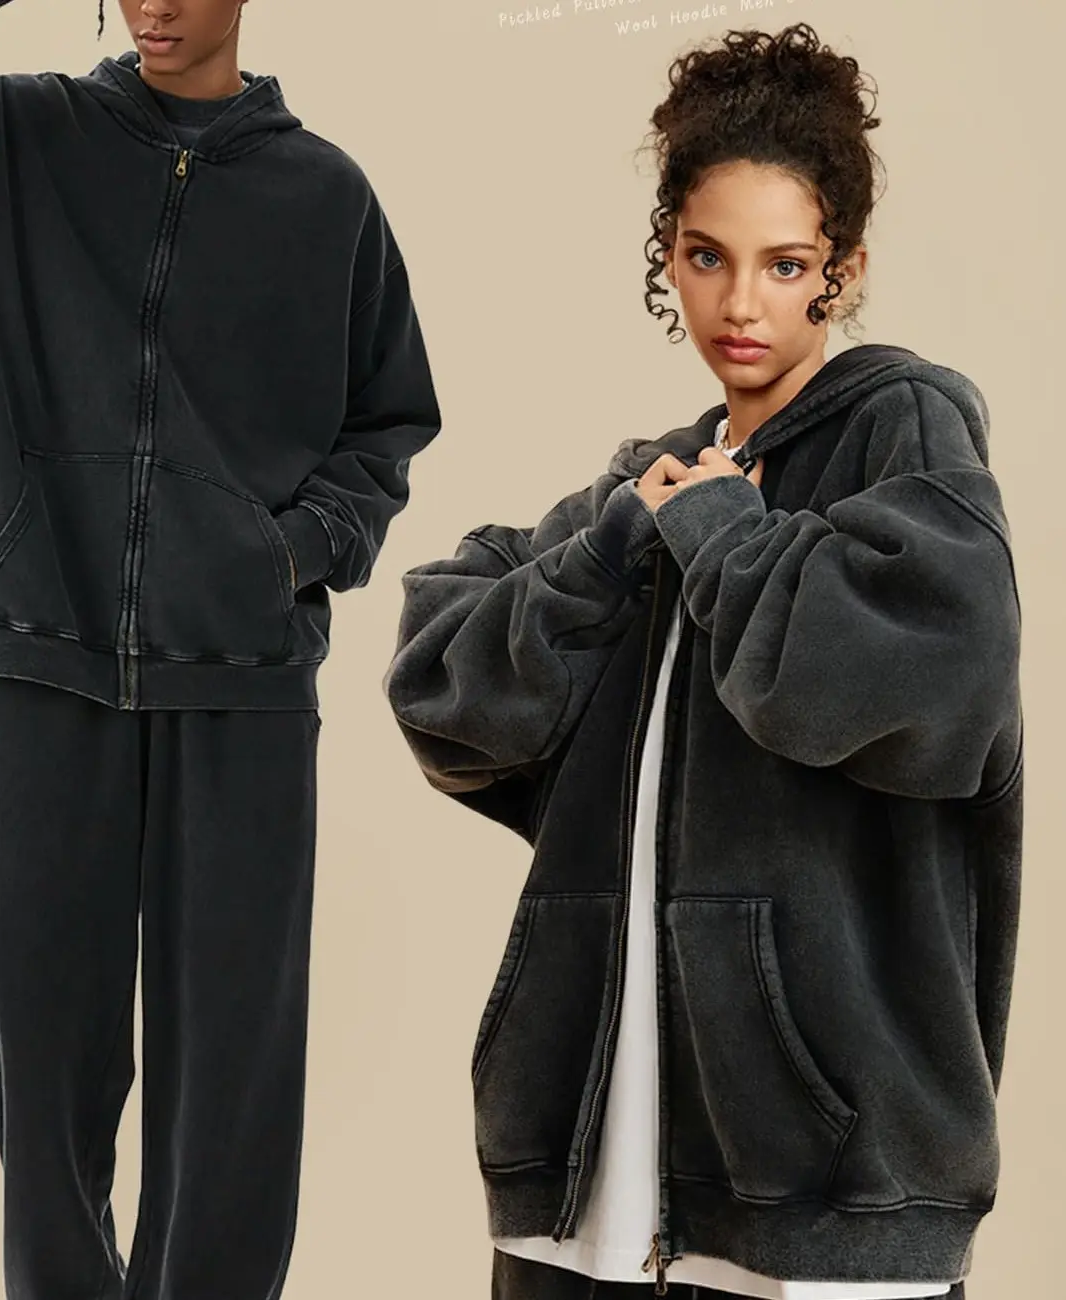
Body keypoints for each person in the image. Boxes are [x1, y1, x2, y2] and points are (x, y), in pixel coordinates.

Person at [0, 1, 440, 1297]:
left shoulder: (326, 199)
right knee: (44, 1067)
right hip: (40, 654)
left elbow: (389, 419)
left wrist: (292, 554)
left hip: (243, 683)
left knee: (232, 1074)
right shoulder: (0, 144)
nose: (153, 4)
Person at [383, 23, 1019, 1300]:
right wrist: (613, 548)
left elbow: (936, 674)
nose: (739, 305)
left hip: (833, 1180)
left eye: (785, 265)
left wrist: (722, 536)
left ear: (840, 272)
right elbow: (443, 689)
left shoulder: (902, 432)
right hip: (590, 1166)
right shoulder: (651, 489)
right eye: (707, 256)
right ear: (666, 255)